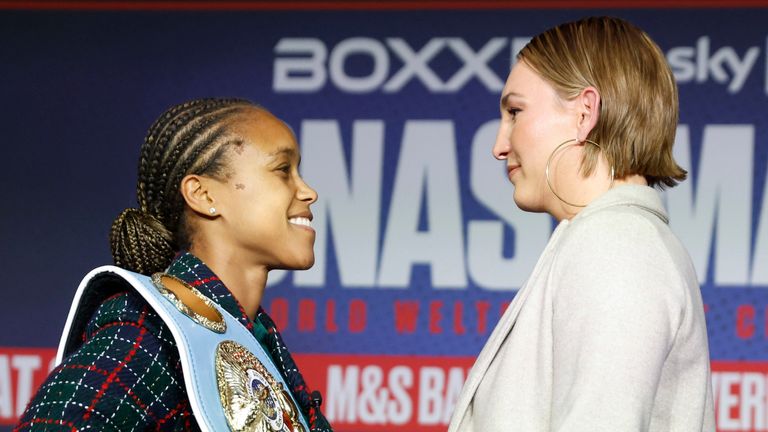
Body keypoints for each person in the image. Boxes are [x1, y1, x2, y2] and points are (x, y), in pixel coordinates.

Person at [448, 17, 714, 432]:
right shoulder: (610, 238)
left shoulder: (616, 245)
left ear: (584, 113)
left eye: (515, 112)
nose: (499, 146)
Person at [16, 98, 333, 431]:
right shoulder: (147, 336)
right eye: (283, 170)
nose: (308, 191)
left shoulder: (257, 340)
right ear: (204, 195)